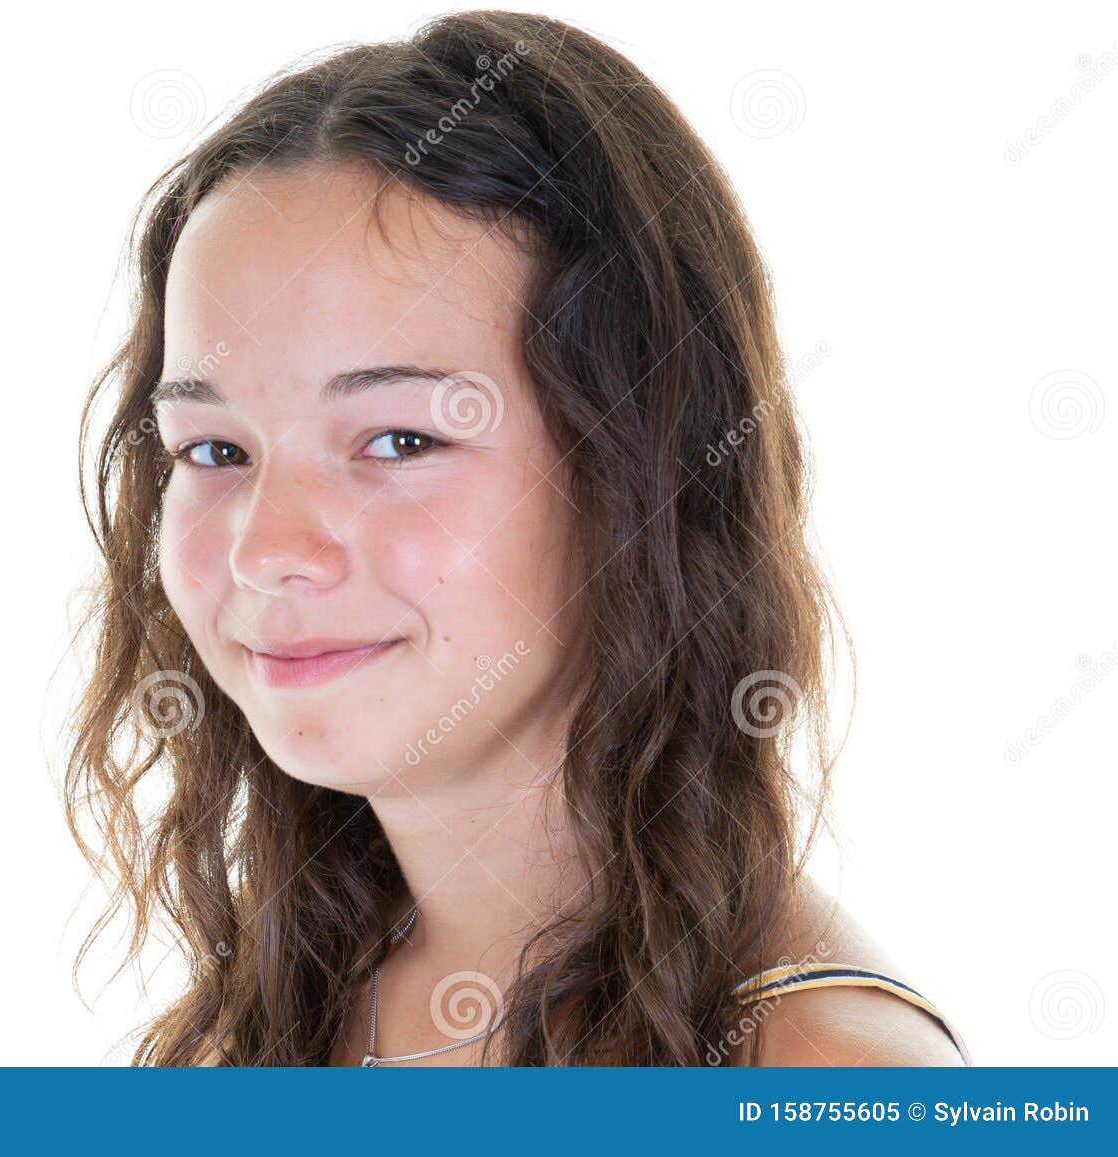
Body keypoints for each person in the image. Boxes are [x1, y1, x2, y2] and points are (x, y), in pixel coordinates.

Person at [63, 8, 969, 1066]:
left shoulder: (832, 1076)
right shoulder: (293, 994)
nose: (271, 549)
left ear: (637, 465)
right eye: (214, 451)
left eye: (398, 438)